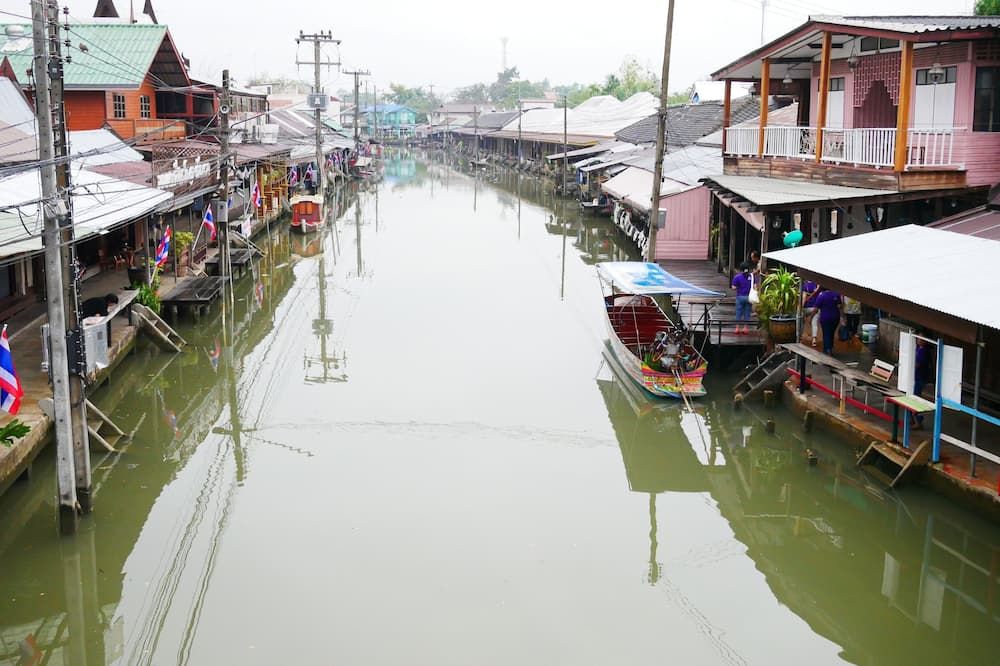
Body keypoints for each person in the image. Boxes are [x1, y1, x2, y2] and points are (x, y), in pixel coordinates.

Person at [813, 288, 842, 355]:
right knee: (831, 333)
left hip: (825, 318)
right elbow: (840, 306)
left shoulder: (821, 295)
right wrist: (842, 317)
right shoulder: (836, 294)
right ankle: (830, 347)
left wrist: (811, 317)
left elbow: (816, 308)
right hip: (835, 317)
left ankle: (827, 349)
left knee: (826, 333)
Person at [913, 337, 932, 428]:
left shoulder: (924, 351)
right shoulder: (917, 348)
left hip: (920, 378)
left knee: (916, 398)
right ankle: (913, 419)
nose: (918, 340)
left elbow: (917, 364)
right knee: (912, 397)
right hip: (915, 377)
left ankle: (918, 421)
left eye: (920, 338)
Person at [731, 262, 753, 335]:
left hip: (740, 297)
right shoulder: (751, 276)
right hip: (749, 297)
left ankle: (737, 328)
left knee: (738, 312)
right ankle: (745, 328)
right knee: (747, 312)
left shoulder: (737, 277)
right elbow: (755, 286)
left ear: (740, 269)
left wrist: (739, 287)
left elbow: (733, 287)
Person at [802, 279, 821, 346]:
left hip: (806, 307)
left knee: (801, 321)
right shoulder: (816, 284)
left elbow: (804, 298)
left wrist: (801, 307)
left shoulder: (805, 285)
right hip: (815, 307)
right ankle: (814, 340)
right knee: (814, 323)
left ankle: (800, 337)